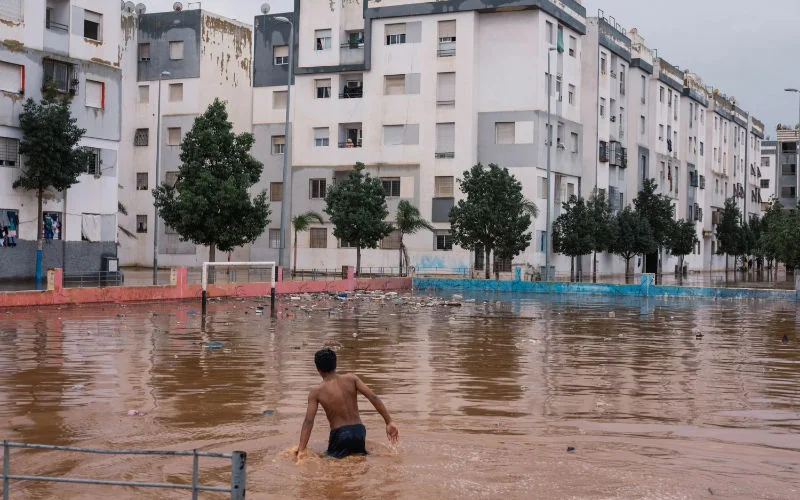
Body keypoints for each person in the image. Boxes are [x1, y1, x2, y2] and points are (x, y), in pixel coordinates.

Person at [296, 349, 399, 459]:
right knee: (359, 458)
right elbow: (373, 397)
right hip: (359, 432)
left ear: (318, 369)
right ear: (335, 364)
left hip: (340, 435)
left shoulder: (316, 392)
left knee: (327, 460)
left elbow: (308, 421)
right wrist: (389, 421)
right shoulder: (352, 379)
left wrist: (301, 449)